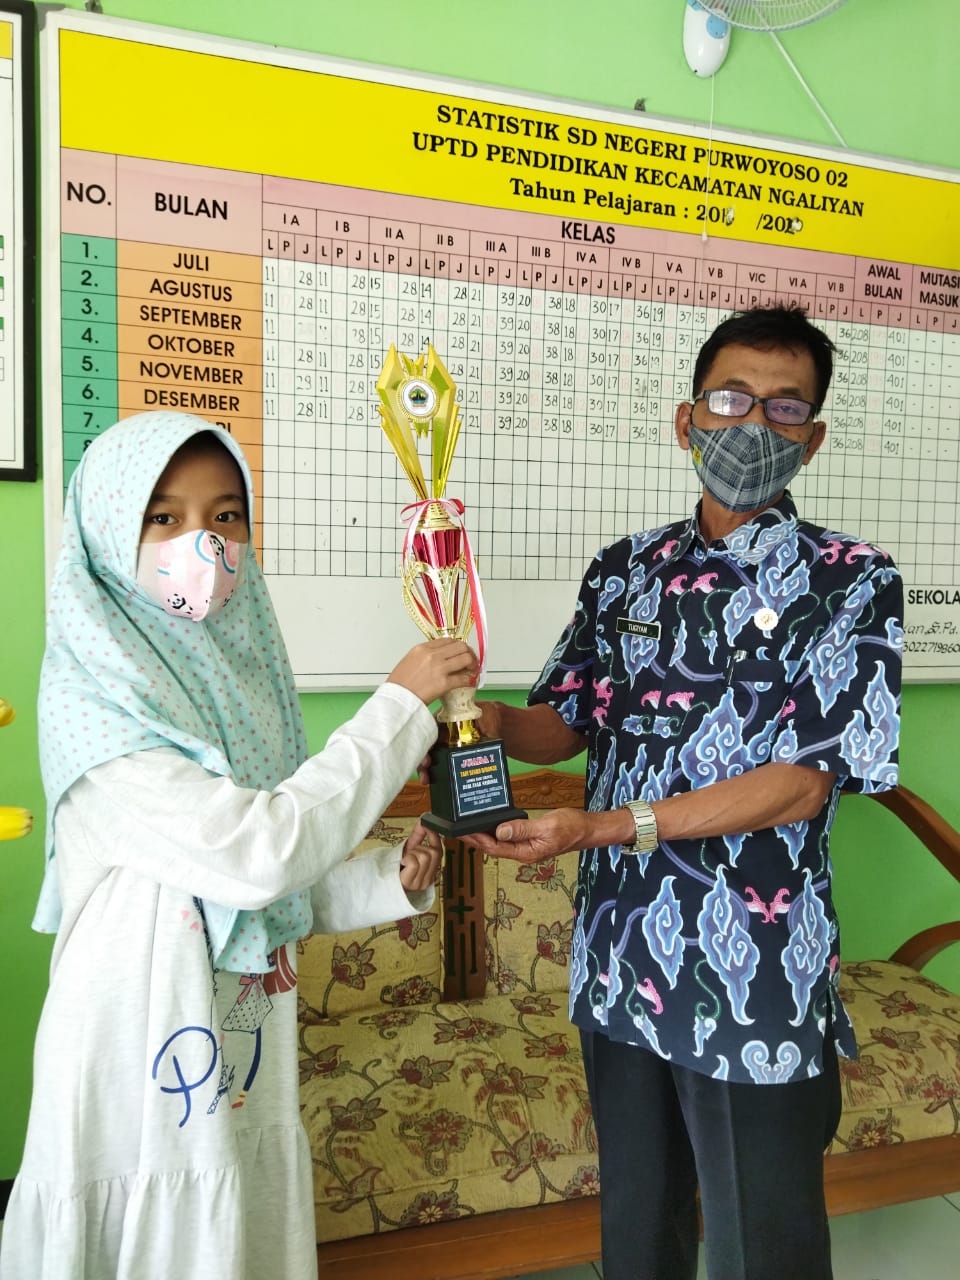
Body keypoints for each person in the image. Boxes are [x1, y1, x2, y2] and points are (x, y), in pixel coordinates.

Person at [469, 306, 903, 1280]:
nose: (754, 424)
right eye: (731, 398)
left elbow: (802, 784)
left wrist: (608, 824)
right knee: (639, 1224)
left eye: (784, 407)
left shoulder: (853, 581)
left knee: (763, 1245)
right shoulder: (624, 570)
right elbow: (566, 721)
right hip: (623, 950)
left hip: (756, 968)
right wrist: (481, 720)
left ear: (812, 438)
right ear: (687, 419)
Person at [0, 411, 476, 1280]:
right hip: (136, 1055)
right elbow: (254, 855)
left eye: (226, 515)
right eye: (163, 516)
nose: (203, 542)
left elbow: (260, 888)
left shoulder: (238, 687)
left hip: (236, 1049)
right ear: (108, 530)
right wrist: (399, 707)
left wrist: (387, 878)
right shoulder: (98, 709)